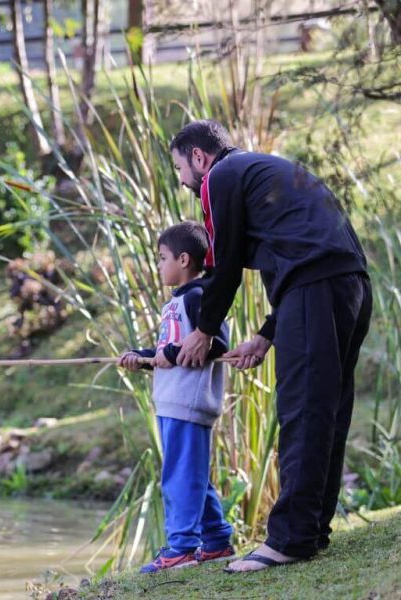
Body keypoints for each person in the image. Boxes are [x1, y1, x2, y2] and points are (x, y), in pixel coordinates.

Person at [168, 120, 372, 572]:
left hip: (317, 287)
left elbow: (223, 265)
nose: (182, 179)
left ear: (199, 158)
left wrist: (203, 330)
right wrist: (265, 335)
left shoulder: (220, 176)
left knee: (301, 408)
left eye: (181, 167)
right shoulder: (262, 170)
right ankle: (311, 529)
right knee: (327, 407)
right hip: (349, 285)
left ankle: (288, 540)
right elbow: (302, 257)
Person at [119, 221, 234, 573]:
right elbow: (168, 350)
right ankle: (216, 541)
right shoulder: (176, 302)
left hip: (189, 402)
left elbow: (216, 343)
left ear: (183, 260)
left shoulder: (201, 296)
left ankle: (182, 548)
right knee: (192, 474)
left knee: (180, 476)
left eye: (162, 258)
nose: (158, 265)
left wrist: (168, 352)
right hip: (171, 399)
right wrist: (141, 356)